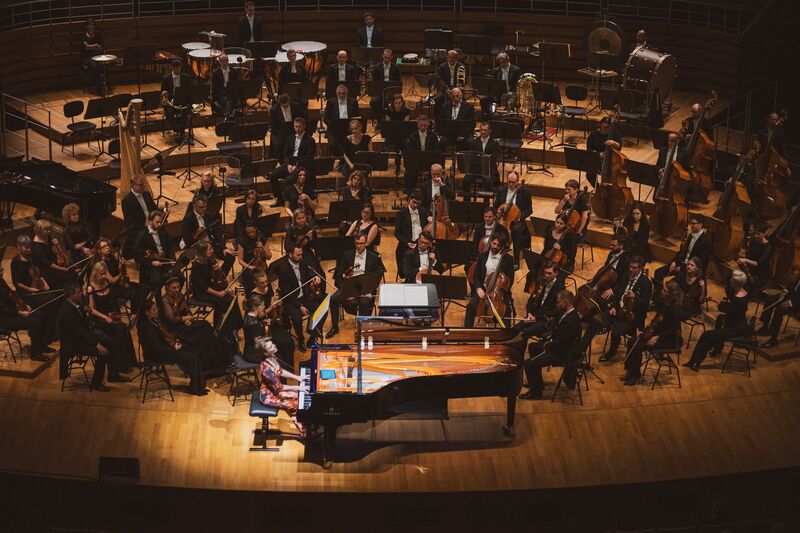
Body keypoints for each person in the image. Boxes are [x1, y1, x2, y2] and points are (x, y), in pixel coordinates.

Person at [159, 276, 231, 375]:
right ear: (167, 288)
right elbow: (171, 319)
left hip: (183, 324)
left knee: (205, 326)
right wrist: (184, 319)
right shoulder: (164, 300)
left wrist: (188, 317)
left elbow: (187, 310)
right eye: (173, 288)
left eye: (178, 287)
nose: (177, 290)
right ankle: (203, 362)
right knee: (202, 331)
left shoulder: (180, 295)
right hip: (174, 328)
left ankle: (212, 360)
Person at [519, 290, 583, 400]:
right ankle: (537, 382)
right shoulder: (566, 314)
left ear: (566, 302)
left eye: (558, 302)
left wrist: (546, 345)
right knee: (533, 347)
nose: (556, 305)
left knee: (528, 364)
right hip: (558, 346)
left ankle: (536, 392)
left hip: (562, 354)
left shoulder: (571, 320)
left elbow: (560, 344)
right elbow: (559, 334)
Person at [57, 281, 120, 391]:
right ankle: (96, 384)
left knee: (111, 342)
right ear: (71, 295)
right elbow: (79, 333)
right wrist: (96, 344)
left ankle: (113, 375)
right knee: (103, 353)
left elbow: (80, 323)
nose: (81, 294)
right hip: (73, 344)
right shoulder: (66, 311)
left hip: (82, 338)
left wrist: (85, 310)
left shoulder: (74, 304)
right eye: (79, 292)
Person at [138, 298, 207, 395]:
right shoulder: (147, 328)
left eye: (156, 308)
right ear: (146, 313)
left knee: (193, 351)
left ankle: (199, 385)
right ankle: (197, 388)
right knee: (191, 358)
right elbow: (157, 348)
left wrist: (174, 343)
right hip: (158, 355)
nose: (157, 311)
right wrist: (173, 348)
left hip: (165, 349)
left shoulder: (152, 320)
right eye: (154, 310)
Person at [685, 270, 750, 371]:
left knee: (706, 335)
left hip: (735, 329)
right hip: (739, 324)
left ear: (735, 283)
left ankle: (695, 363)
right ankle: (716, 349)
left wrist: (724, 305)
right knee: (719, 319)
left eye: (732, 281)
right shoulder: (744, 292)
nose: (730, 282)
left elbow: (729, 316)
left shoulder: (737, 299)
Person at [591, 255, 652, 362]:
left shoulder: (646, 283)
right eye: (630, 267)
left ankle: (611, 353)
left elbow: (645, 304)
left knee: (615, 332)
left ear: (641, 268)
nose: (631, 270)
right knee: (596, 320)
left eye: (634, 268)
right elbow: (618, 294)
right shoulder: (625, 276)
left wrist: (635, 297)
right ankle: (582, 349)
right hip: (618, 311)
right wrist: (614, 306)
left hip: (631, 317)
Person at [622, 280, 682, 385]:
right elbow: (656, 322)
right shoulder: (664, 303)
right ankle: (630, 371)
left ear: (671, 294)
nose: (662, 291)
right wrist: (644, 332)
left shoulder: (675, 310)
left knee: (637, 346)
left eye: (665, 290)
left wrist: (658, 337)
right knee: (632, 340)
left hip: (669, 339)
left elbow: (675, 330)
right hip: (658, 334)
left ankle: (635, 376)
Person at [326, 233, 385, 338]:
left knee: (365, 302)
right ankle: (335, 326)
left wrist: (370, 290)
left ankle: (363, 329)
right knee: (333, 299)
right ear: (354, 243)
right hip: (349, 286)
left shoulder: (374, 257)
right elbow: (338, 276)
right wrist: (345, 290)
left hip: (365, 288)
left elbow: (377, 277)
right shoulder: (347, 255)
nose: (359, 246)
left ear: (366, 243)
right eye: (357, 243)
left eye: (362, 243)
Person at [85, 261, 137, 373]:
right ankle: (121, 366)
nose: (104, 276)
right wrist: (105, 317)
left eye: (105, 273)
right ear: (95, 273)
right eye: (101, 274)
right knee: (119, 330)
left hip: (111, 315)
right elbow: (92, 309)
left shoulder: (107, 282)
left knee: (125, 330)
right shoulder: (91, 288)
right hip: (99, 318)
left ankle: (129, 362)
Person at [10, 235, 59, 346]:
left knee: (54, 300)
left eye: (29, 247)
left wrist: (44, 282)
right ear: (19, 247)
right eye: (25, 247)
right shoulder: (15, 261)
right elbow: (16, 282)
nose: (29, 250)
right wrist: (30, 289)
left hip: (35, 288)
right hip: (25, 293)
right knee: (48, 303)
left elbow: (37, 273)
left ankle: (49, 334)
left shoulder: (31, 257)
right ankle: (44, 337)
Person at [257, 337, 310, 438]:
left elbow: (280, 371)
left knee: (299, 399)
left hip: (275, 391)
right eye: (271, 346)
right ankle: (305, 432)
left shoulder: (272, 357)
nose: (274, 346)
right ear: (265, 353)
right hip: (269, 396)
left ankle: (306, 425)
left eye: (272, 344)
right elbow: (280, 388)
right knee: (296, 402)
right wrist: (298, 388)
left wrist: (298, 377)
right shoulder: (266, 368)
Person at [189, 242, 243, 334]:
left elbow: (216, 279)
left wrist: (218, 270)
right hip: (201, 293)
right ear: (203, 252)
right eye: (210, 249)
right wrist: (218, 293)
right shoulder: (196, 267)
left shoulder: (208, 260)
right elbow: (204, 287)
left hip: (211, 288)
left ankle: (234, 326)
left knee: (232, 298)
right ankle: (222, 328)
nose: (212, 250)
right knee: (227, 301)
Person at [278, 243, 323, 352]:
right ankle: (301, 339)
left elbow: (308, 274)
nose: (300, 257)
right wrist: (300, 306)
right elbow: (286, 293)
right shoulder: (283, 270)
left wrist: (315, 277)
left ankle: (312, 337)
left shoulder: (302, 262)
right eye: (298, 255)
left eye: (301, 255)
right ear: (290, 254)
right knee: (297, 319)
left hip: (304, 296)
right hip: (291, 300)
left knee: (322, 310)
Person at [0, 263, 48, 362]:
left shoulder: (1, 281)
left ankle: (41, 346)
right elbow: (3, 308)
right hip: (4, 319)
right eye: (0, 270)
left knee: (40, 314)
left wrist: (24, 305)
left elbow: (13, 295)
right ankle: (35, 354)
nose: (2, 271)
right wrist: (19, 313)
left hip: (12, 313)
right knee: (34, 322)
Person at [464, 234, 515, 327]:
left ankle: (506, 335)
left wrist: (501, 292)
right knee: (470, 306)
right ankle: (467, 332)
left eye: (498, 245)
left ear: (502, 247)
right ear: (491, 242)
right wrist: (479, 288)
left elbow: (510, 279)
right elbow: (476, 275)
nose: (495, 246)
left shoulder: (508, 259)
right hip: (484, 288)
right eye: (494, 243)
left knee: (507, 310)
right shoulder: (483, 256)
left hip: (500, 291)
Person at [653, 215, 712, 292]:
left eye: (694, 223)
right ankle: (659, 295)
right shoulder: (691, 235)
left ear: (701, 224)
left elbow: (700, 262)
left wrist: (682, 267)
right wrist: (674, 262)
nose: (691, 225)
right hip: (681, 263)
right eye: (691, 223)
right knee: (658, 272)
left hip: (690, 270)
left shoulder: (706, 241)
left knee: (671, 285)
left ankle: (668, 298)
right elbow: (682, 252)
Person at [181, 194, 235, 275]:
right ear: (194, 206)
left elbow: (217, 234)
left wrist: (224, 248)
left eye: (205, 206)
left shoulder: (208, 215)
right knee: (211, 264)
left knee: (230, 257)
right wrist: (196, 234)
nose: (204, 209)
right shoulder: (188, 219)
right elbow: (187, 241)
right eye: (201, 207)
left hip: (211, 246)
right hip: (198, 249)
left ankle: (219, 277)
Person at [269, 117, 316, 207]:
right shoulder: (290, 138)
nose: (297, 129)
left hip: (302, 165)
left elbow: (308, 157)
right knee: (272, 176)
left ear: (304, 127)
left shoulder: (310, 140)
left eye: (299, 127)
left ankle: (294, 201)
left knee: (291, 179)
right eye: (295, 126)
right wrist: (288, 164)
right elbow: (285, 154)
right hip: (289, 163)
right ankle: (280, 199)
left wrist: (297, 166)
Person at [513, 260, 564, 341]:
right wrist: (529, 313)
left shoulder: (560, 289)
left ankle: (518, 353)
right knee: (515, 329)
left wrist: (536, 317)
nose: (546, 276)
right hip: (533, 316)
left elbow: (556, 310)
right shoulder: (541, 282)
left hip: (546, 321)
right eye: (545, 273)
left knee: (523, 333)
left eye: (550, 273)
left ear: (556, 273)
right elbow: (531, 299)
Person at [251, 270, 295, 363]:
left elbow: (273, 302)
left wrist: (278, 304)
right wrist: (271, 307)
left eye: (266, 281)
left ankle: (288, 367)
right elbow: (259, 316)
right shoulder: (254, 296)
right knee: (283, 343)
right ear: (255, 283)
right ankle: (280, 366)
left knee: (289, 342)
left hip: (274, 320)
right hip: (264, 326)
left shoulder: (268, 288)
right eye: (262, 282)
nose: (265, 284)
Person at [494, 170, 532, 269]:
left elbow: (529, 210)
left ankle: (515, 259)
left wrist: (519, 216)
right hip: (503, 218)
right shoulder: (502, 190)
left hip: (517, 220)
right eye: (509, 182)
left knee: (515, 230)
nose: (511, 184)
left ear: (518, 181)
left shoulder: (524, 192)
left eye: (513, 182)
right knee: (496, 228)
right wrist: (498, 214)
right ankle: (496, 254)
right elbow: (495, 206)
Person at [758, 271, 800, 348]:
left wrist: (791, 302)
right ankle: (765, 328)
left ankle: (773, 340)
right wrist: (785, 292)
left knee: (779, 311)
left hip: (797, 303)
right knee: (770, 300)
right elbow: (791, 285)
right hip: (791, 297)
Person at [394, 192, 430, 281]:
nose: (415, 205)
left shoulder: (423, 211)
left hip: (422, 242)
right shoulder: (401, 213)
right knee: (407, 259)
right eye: (414, 202)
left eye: (418, 203)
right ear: (409, 200)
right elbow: (397, 233)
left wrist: (430, 218)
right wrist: (407, 243)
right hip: (407, 243)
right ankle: (408, 278)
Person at [135, 209, 174, 289]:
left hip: (165, 260)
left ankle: (171, 295)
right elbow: (138, 254)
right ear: (150, 221)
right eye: (157, 222)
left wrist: (173, 259)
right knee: (158, 280)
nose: (160, 224)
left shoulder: (163, 232)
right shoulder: (142, 236)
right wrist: (151, 262)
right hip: (153, 262)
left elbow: (170, 248)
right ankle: (158, 300)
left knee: (180, 277)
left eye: (160, 222)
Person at [31, 219, 75, 290]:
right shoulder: (37, 247)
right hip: (46, 269)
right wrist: (61, 268)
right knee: (69, 277)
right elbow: (47, 263)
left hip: (54, 262)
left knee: (72, 273)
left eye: (49, 229)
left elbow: (54, 250)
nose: (48, 232)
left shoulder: (46, 236)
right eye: (46, 230)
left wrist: (57, 244)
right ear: (39, 230)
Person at [121, 174, 157, 259]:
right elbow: (130, 223)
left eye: (144, 184)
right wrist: (147, 228)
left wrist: (162, 212)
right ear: (133, 185)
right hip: (139, 230)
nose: (143, 186)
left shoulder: (147, 195)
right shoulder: (127, 201)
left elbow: (154, 208)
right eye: (141, 185)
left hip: (150, 225)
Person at [403, 114, 439, 195]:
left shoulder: (433, 136)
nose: (423, 127)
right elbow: (411, 153)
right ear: (418, 124)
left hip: (429, 162)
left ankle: (432, 193)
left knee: (435, 171)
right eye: (421, 125)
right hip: (416, 162)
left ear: (428, 124)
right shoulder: (412, 136)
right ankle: (410, 193)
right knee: (409, 171)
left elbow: (436, 152)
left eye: (425, 125)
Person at [585, 116, 623, 187]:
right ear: (600, 125)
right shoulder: (594, 134)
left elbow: (619, 146)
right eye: (603, 127)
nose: (605, 129)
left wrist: (613, 143)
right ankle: (598, 188)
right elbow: (589, 149)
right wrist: (598, 154)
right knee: (589, 175)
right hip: (597, 159)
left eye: (607, 128)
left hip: (610, 161)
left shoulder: (614, 133)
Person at [736, 222, 772, 294]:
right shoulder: (753, 241)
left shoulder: (768, 247)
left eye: (758, 234)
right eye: (755, 233)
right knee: (732, 280)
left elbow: (758, 264)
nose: (756, 235)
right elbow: (747, 254)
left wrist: (745, 260)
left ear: (764, 234)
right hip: (749, 270)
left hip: (759, 275)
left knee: (744, 286)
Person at [463, 122, 500, 193]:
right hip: (475, 169)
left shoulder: (494, 143)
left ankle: (486, 203)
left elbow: (493, 159)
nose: (483, 132)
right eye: (481, 130)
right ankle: (467, 201)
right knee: (465, 181)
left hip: (487, 170)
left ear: (490, 131)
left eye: (485, 130)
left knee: (488, 183)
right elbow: (471, 156)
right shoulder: (474, 142)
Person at [324, 85, 360, 155]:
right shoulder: (330, 102)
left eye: (343, 93)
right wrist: (333, 125)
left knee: (353, 146)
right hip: (334, 130)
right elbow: (326, 118)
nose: (341, 95)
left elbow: (358, 116)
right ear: (336, 93)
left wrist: (353, 127)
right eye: (339, 93)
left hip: (349, 129)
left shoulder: (353, 102)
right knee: (332, 146)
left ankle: (347, 159)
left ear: (347, 93)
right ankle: (342, 158)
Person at [237, 220, 272, 295]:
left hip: (262, 269)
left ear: (255, 229)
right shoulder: (242, 241)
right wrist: (250, 267)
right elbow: (240, 260)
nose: (250, 234)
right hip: (249, 270)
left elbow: (269, 257)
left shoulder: (263, 238)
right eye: (248, 232)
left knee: (269, 293)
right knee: (251, 295)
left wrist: (263, 247)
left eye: (252, 232)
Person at [283, 208, 321, 275]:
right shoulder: (291, 229)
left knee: (316, 271)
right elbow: (286, 246)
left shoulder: (309, 228)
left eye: (303, 218)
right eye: (298, 218)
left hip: (307, 252)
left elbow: (314, 245)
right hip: (294, 254)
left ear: (305, 218)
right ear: (294, 219)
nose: (301, 220)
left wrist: (311, 238)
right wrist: (296, 247)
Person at [161, 59, 191, 143]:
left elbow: (189, 91)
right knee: (169, 112)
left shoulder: (186, 77)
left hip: (183, 101)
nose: (178, 70)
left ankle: (180, 132)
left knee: (185, 111)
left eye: (179, 68)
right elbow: (163, 91)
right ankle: (178, 130)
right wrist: (165, 93)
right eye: (176, 69)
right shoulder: (166, 78)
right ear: (172, 68)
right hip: (171, 102)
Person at [269, 93, 304, 161]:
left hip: (294, 130)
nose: (285, 107)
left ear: (289, 100)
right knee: (279, 145)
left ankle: (298, 161)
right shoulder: (274, 109)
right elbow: (273, 126)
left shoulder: (296, 106)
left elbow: (302, 118)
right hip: (280, 133)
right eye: (283, 106)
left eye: (287, 105)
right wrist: (281, 134)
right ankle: (283, 162)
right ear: (280, 103)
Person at [370, 49, 400, 118]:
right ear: (382, 56)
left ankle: (391, 118)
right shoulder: (376, 67)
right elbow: (374, 82)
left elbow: (398, 82)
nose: (386, 59)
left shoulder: (396, 68)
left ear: (392, 57)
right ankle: (380, 119)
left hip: (391, 90)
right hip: (379, 90)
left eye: (388, 58)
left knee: (395, 101)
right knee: (373, 102)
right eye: (385, 57)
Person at [434, 50, 465, 117]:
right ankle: (438, 119)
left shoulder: (461, 66)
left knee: (462, 99)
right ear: (447, 57)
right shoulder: (442, 66)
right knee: (437, 99)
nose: (451, 59)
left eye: (453, 57)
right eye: (450, 57)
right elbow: (440, 79)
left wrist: (457, 89)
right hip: (445, 88)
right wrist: (446, 88)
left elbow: (463, 80)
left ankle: (459, 117)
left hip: (457, 88)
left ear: (456, 58)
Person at [675, 256, 706, 320]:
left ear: (697, 268)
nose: (689, 266)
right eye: (688, 264)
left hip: (691, 306)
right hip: (680, 301)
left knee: (676, 313)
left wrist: (703, 289)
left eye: (692, 265)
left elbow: (700, 300)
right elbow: (673, 285)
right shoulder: (682, 275)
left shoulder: (699, 281)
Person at [211, 53, 240, 118]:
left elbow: (237, 84)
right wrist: (225, 93)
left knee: (231, 98)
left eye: (226, 60)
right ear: (219, 62)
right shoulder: (215, 73)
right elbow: (215, 88)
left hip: (232, 92)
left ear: (228, 61)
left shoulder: (234, 71)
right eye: (222, 61)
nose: (224, 63)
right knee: (230, 100)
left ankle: (227, 115)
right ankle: (229, 115)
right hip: (221, 94)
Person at [81, 19, 105, 95]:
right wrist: (95, 46)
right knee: (95, 66)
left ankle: (100, 82)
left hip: (97, 56)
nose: (91, 26)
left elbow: (100, 48)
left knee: (103, 63)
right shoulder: (83, 36)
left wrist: (91, 46)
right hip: (87, 57)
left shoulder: (98, 35)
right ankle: (99, 85)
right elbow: (85, 47)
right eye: (90, 24)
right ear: (86, 26)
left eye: (93, 24)